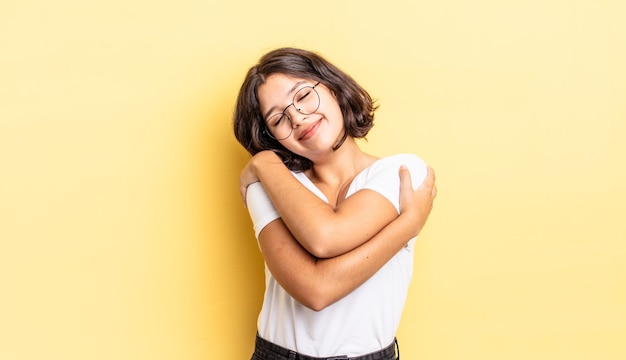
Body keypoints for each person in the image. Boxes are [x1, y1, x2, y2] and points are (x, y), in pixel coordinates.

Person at [233, 47, 437, 360]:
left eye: (302, 96)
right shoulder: (268, 181)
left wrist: (262, 165)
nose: (298, 118)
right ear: (271, 136)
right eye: (278, 119)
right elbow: (315, 290)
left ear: (332, 87)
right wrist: (408, 224)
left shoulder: (402, 172)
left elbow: (327, 237)